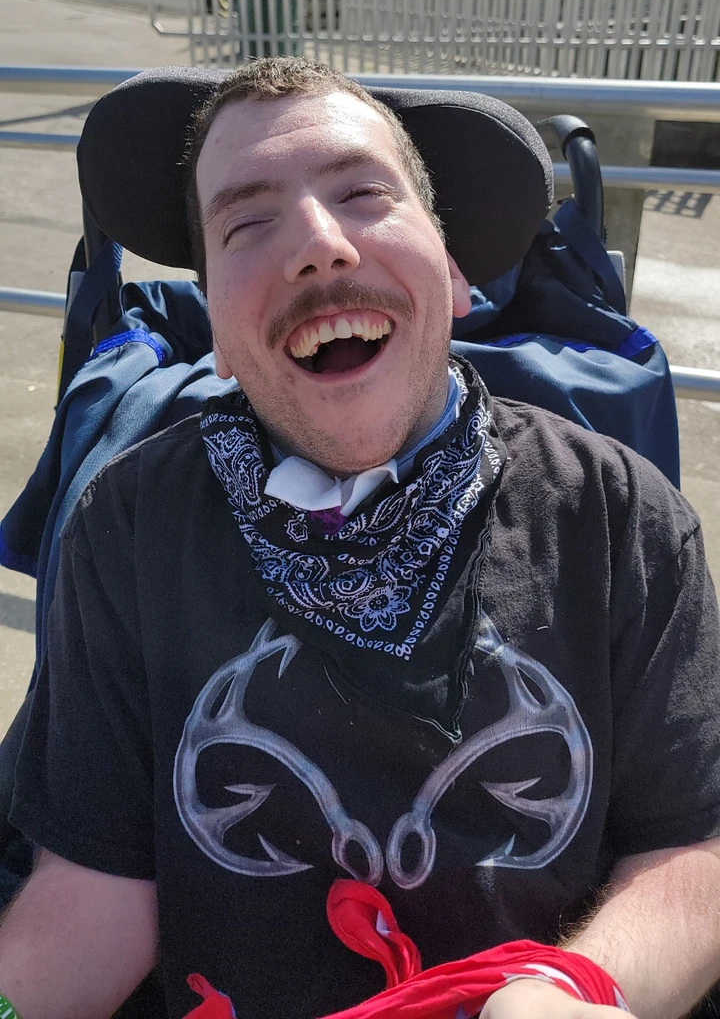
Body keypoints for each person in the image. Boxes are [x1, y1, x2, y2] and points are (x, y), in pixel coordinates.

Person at [1, 57, 720, 1019]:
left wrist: (575, 986)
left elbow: (692, 847)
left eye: (363, 195)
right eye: (247, 224)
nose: (318, 245)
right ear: (218, 325)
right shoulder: (128, 524)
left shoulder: (617, 514)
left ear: (454, 274)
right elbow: (93, 895)